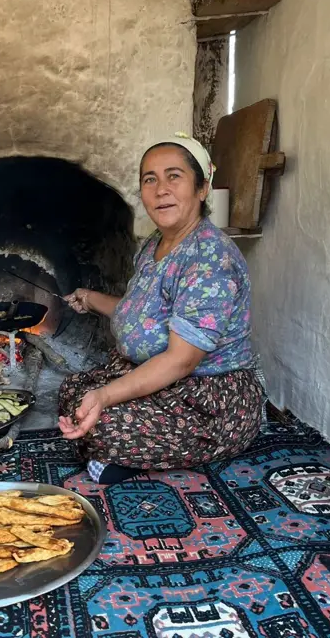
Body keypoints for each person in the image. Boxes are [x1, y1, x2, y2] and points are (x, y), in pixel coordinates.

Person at [58, 132, 265, 485]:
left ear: (202, 189)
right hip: (159, 380)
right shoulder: (154, 244)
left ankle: (120, 455)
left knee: (102, 421)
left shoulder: (209, 259)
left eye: (174, 176)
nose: (160, 190)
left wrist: (105, 396)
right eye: (149, 179)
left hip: (206, 394)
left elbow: (181, 360)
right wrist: (89, 298)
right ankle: (119, 452)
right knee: (72, 392)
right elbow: (140, 313)